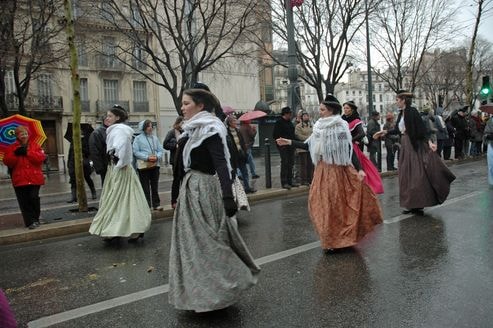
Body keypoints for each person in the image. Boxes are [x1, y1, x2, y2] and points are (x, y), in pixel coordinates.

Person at [169, 88, 260, 312]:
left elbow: (221, 164)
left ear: (200, 106)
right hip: (190, 190)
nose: (182, 108)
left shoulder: (211, 129)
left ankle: (221, 291)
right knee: (192, 246)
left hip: (206, 189)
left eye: (187, 103)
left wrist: (228, 196)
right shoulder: (189, 131)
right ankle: (199, 295)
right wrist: (175, 194)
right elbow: (180, 166)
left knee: (210, 243)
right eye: (182, 104)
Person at [276, 94, 383, 251]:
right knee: (320, 205)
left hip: (339, 170)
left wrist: (359, 168)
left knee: (337, 206)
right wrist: (289, 142)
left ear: (331, 110)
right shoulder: (319, 126)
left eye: (322, 109)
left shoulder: (340, 126)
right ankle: (330, 239)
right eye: (320, 109)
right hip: (322, 170)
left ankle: (343, 239)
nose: (320, 112)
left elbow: (348, 148)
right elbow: (309, 145)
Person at [89, 105, 151, 243]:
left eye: (110, 116)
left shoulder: (120, 130)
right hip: (119, 169)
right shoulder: (117, 130)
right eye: (107, 115)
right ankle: (129, 230)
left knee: (117, 199)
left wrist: (118, 162)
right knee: (126, 199)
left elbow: (122, 148)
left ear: (117, 117)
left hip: (120, 170)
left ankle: (116, 230)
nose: (107, 118)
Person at [395, 90, 455, 215]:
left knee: (417, 174)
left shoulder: (412, 112)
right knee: (406, 174)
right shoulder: (401, 113)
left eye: (397, 100)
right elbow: (397, 129)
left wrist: (429, 142)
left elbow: (421, 129)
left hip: (413, 145)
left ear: (403, 100)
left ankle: (418, 204)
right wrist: (384, 133)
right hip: (405, 144)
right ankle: (411, 204)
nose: (396, 102)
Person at [3, 126, 46, 229]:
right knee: (24, 201)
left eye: (26, 134)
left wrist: (27, 152)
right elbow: (8, 162)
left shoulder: (35, 145)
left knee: (34, 198)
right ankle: (30, 222)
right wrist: (15, 154)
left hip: (34, 178)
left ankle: (36, 218)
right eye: (22, 134)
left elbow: (40, 158)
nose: (24, 136)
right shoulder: (11, 148)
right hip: (19, 179)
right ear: (17, 136)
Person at [342, 101, 384, 194]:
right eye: (344, 108)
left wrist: (351, 140)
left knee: (354, 167)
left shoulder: (356, 121)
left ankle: (358, 188)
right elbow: (341, 134)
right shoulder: (342, 120)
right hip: (342, 147)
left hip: (352, 147)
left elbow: (361, 134)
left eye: (347, 108)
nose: (345, 110)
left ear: (352, 110)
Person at [133, 119, 165, 211]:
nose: (150, 128)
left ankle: (156, 204)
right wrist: (147, 157)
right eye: (148, 126)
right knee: (145, 187)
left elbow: (160, 150)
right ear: (143, 128)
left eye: (151, 126)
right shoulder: (138, 138)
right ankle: (147, 205)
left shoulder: (154, 138)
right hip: (143, 166)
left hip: (155, 165)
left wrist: (157, 157)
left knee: (155, 186)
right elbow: (135, 151)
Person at [225, 115, 256, 193]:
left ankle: (247, 187)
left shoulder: (238, 131)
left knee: (245, 172)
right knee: (234, 173)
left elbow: (242, 142)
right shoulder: (226, 132)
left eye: (236, 120)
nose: (236, 122)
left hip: (241, 154)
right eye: (234, 121)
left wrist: (245, 152)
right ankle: (235, 190)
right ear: (229, 123)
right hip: (233, 156)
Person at [67, 133, 97, 202]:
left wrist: (81, 148)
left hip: (83, 163)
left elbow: (88, 152)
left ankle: (93, 192)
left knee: (87, 178)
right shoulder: (72, 142)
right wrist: (69, 164)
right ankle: (73, 197)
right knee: (73, 180)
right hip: (73, 163)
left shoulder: (85, 141)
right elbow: (70, 153)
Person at [273, 106, 298, 189]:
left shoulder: (290, 122)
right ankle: (284, 182)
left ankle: (290, 181)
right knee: (285, 163)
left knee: (290, 164)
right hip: (283, 146)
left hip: (290, 146)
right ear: (285, 114)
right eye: (289, 114)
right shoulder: (279, 122)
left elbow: (293, 134)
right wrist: (282, 143)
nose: (290, 115)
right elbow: (275, 135)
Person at [294, 111, 314, 185]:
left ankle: (311, 179)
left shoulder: (311, 125)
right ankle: (304, 180)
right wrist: (309, 138)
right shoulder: (298, 126)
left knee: (310, 164)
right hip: (302, 147)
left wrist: (311, 138)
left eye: (307, 116)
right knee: (303, 165)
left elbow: (314, 133)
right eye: (304, 116)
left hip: (310, 147)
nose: (306, 117)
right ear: (302, 117)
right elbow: (298, 136)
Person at [89, 119, 109, 186]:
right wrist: (99, 168)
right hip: (105, 166)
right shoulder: (97, 133)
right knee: (107, 186)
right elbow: (94, 151)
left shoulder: (114, 130)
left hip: (114, 165)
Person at [484, 115, 493, 186]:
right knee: (491, 164)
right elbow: (485, 133)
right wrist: (489, 135)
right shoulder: (489, 121)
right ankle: (492, 181)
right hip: (491, 144)